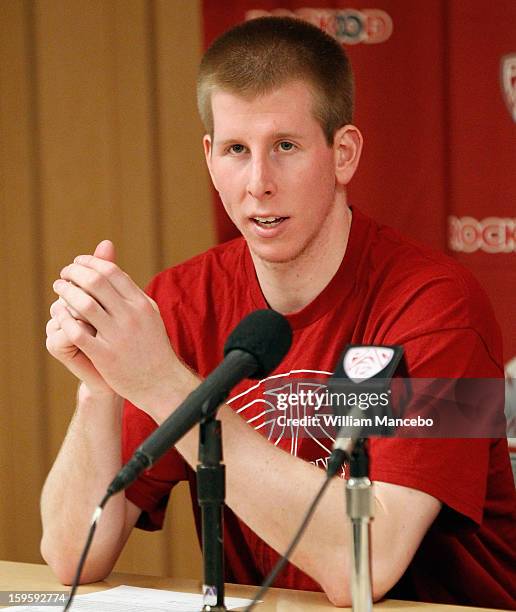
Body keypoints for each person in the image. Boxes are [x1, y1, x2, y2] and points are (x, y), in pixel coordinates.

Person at [41, 16, 516, 608]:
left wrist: (162, 383)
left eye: (285, 147)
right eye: (237, 150)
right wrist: (101, 389)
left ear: (343, 154)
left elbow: (363, 566)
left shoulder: (441, 305)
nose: (258, 183)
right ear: (210, 158)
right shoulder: (183, 301)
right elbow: (71, 553)